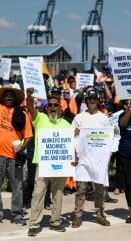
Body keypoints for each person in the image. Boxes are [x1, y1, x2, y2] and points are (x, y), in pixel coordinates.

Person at [25, 87, 71, 236]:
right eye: (50, 105)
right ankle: (33, 224)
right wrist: (29, 96)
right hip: (43, 164)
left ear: (60, 108)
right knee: (38, 194)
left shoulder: (66, 125)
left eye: (55, 105)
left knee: (57, 194)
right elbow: (31, 108)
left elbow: (71, 145)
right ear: (46, 108)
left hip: (60, 165)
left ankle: (55, 222)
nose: (52, 107)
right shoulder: (40, 119)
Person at [71, 88, 115, 228]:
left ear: (98, 100)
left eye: (94, 98)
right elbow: (70, 137)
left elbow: (109, 138)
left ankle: (100, 214)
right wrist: (74, 132)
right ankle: (78, 215)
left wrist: (114, 132)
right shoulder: (79, 118)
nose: (92, 100)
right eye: (89, 98)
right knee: (81, 189)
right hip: (83, 158)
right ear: (85, 100)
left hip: (99, 160)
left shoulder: (104, 118)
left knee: (100, 188)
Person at [0, 86, 33, 225]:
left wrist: (21, 149)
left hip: (15, 157)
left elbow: (29, 136)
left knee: (17, 187)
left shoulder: (22, 113)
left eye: (11, 96)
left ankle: (17, 215)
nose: (8, 97)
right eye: (6, 95)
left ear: (14, 99)